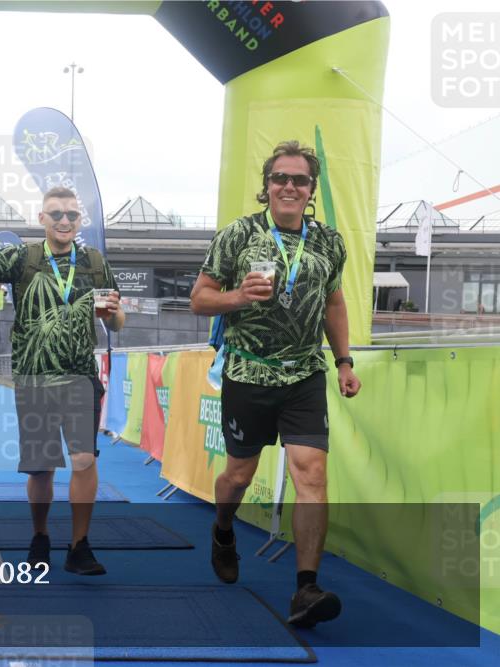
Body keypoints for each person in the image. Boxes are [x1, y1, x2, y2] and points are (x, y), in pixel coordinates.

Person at [190, 140, 362, 628]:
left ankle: (306, 588)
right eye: (280, 178)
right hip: (247, 372)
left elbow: (334, 303)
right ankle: (223, 529)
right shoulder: (238, 235)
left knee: (311, 474)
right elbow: (199, 300)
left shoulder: (329, 241)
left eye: (300, 179)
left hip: (305, 373)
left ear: (312, 190)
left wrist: (344, 362)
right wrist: (239, 295)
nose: (289, 186)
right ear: (266, 187)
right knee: (238, 477)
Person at [0, 187, 125, 575]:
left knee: (83, 459)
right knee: (42, 469)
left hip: (80, 377)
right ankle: (40, 535)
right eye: (56, 214)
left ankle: (80, 546)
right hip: (34, 379)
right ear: (41, 218)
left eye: (71, 216)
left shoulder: (95, 262)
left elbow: (116, 321)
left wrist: (111, 314)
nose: (64, 221)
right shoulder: (23, 258)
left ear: (80, 221)